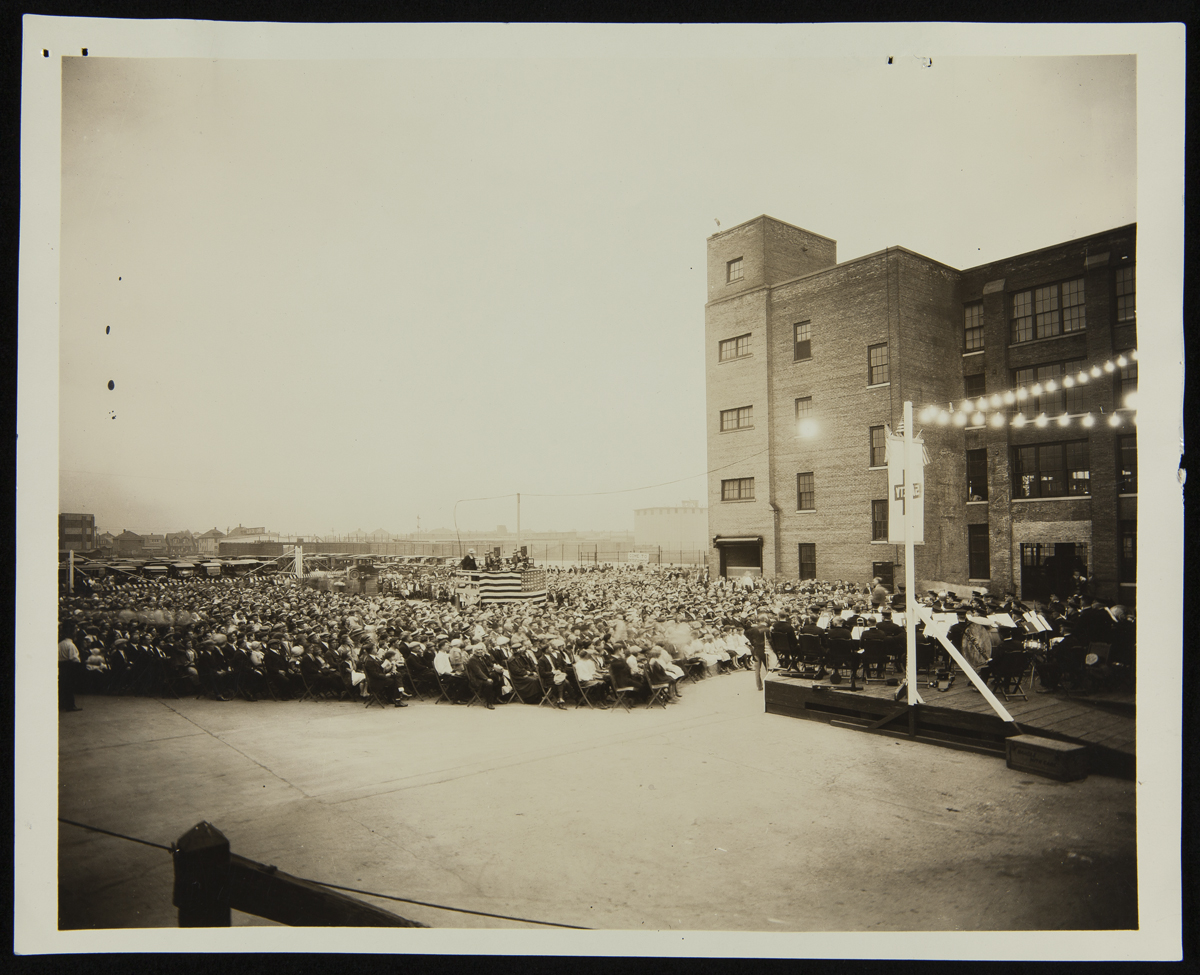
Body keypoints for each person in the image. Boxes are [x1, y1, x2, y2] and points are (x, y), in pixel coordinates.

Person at [747, 612, 773, 691]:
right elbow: (770, 640)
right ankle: (768, 684)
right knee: (768, 667)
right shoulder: (767, 629)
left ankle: (759, 686)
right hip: (764, 649)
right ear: (765, 619)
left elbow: (749, 637)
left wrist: (753, 643)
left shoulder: (753, 629)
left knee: (757, 669)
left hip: (756, 649)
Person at [59, 625, 83, 711]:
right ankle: (70, 705)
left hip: (61, 665)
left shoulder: (60, 644)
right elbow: (74, 658)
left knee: (63, 686)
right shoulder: (70, 645)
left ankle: (63, 704)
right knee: (69, 686)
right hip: (69, 666)